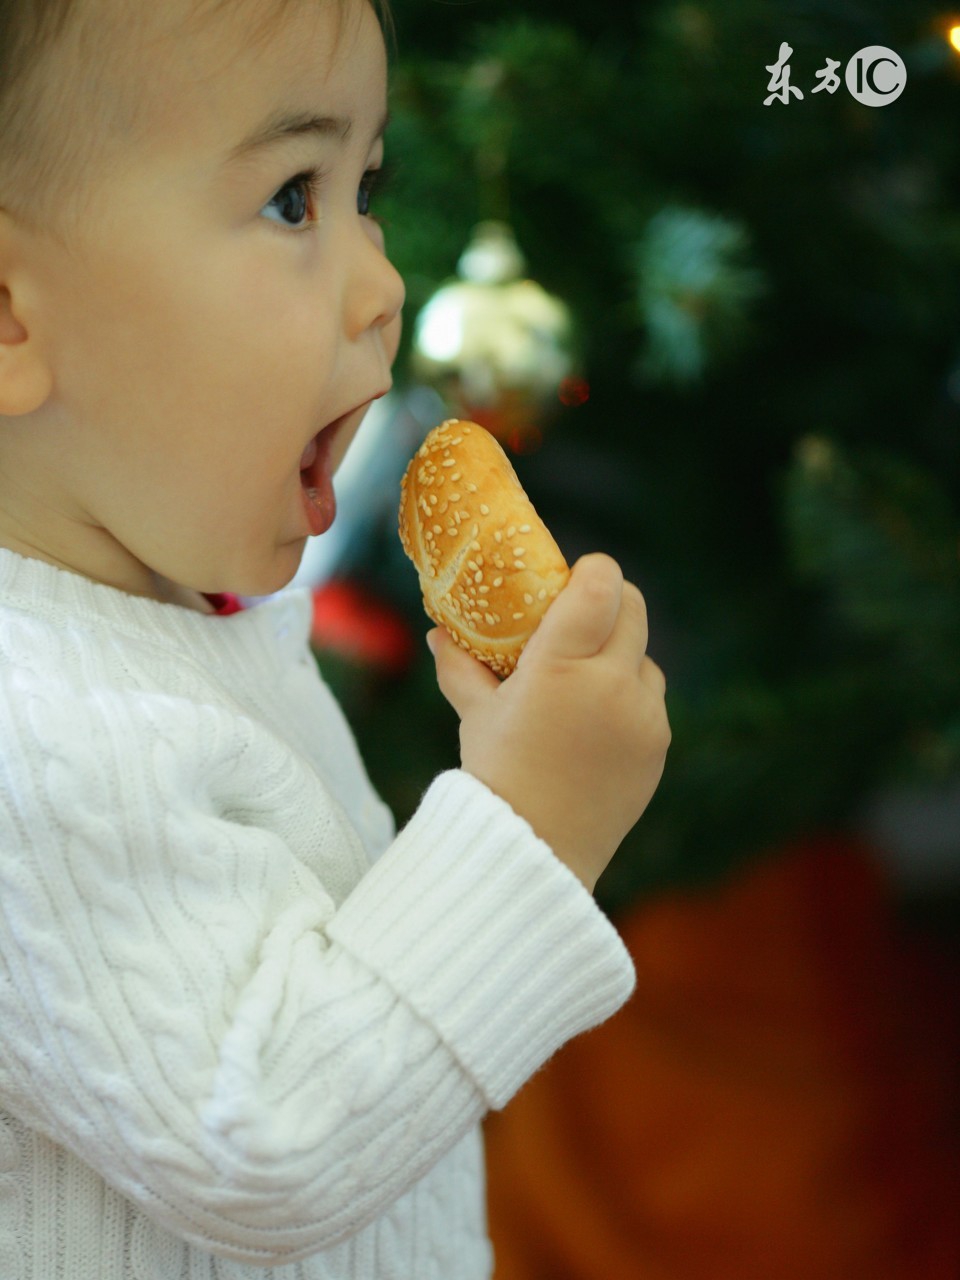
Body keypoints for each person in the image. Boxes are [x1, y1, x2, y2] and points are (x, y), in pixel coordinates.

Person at [0, 0, 671, 1275]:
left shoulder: (175, 615)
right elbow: (267, 1137)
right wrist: (529, 823)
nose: (384, 281)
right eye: (291, 200)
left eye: (367, 187)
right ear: (9, 312)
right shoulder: (29, 730)